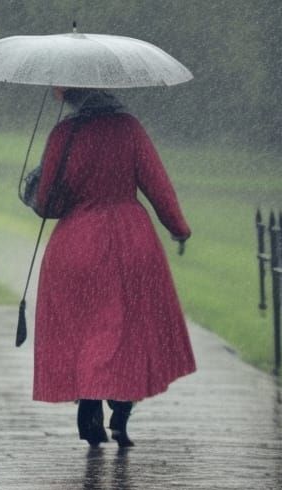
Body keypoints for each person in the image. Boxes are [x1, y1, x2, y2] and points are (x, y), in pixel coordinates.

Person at [29, 88, 195, 447]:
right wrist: (179, 228)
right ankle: (120, 411)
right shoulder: (129, 129)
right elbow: (158, 187)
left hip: (75, 245)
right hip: (130, 243)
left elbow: (46, 201)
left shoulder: (64, 134)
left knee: (85, 331)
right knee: (128, 333)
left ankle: (88, 402)